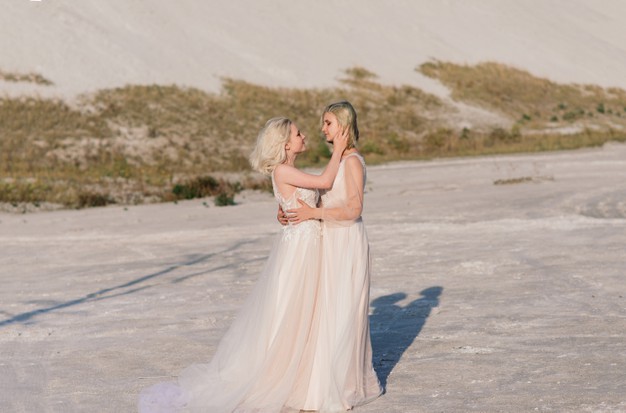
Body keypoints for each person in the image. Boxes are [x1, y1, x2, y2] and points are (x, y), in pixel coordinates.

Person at [138, 117, 349, 412]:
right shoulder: (284, 170)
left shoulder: (289, 171)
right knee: (294, 310)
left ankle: (304, 375)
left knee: (303, 311)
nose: (304, 136)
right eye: (298, 133)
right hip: (300, 249)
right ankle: (287, 375)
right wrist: (338, 148)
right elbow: (325, 182)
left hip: (305, 244)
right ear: (286, 144)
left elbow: (300, 199)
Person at [281, 101, 383, 410]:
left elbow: (354, 208)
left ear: (342, 125)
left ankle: (344, 386)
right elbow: (316, 189)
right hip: (329, 241)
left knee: (343, 312)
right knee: (328, 313)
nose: (322, 129)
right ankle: (321, 382)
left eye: (327, 123)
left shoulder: (352, 161)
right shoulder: (337, 160)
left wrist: (314, 212)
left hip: (346, 241)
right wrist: (289, 209)